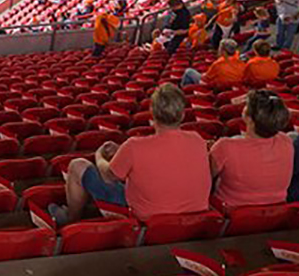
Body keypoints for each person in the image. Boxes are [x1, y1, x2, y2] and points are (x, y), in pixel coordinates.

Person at [53, 83, 210, 225]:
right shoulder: (198, 140)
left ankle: (70, 219)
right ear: (182, 114)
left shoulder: (135, 146)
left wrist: (99, 155)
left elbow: (107, 176)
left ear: (152, 115)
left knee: (77, 166)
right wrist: (122, 151)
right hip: (194, 220)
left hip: (147, 219)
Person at [208, 89, 295, 210]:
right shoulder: (286, 141)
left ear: (249, 118)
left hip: (230, 212)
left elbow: (206, 177)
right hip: (277, 213)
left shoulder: (225, 146)